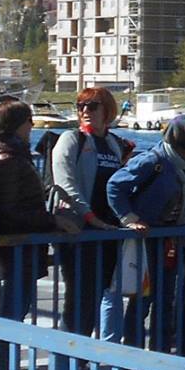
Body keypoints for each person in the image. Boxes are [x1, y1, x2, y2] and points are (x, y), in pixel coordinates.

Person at [107, 113, 185, 352]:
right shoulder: (152, 161)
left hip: (170, 239)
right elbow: (115, 186)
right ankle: (132, 356)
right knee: (142, 300)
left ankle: (161, 356)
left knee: (165, 300)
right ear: (183, 144)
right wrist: (129, 219)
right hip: (147, 240)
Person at [0, 100, 78, 321]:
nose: (32, 126)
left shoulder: (3, 153)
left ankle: (0, 343)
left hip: (13, 247)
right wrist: (52, 220)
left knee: (10, 309)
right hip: (14, 248)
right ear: (18, 123)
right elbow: (9, 211)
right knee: (12, 312)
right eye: (30, 120)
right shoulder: (7, 159)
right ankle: (1, 344)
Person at [47, 86, 137, 337]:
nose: (85, 110)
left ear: (107, 111)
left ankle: (83, 355)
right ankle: (67, 357)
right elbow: (64, 184)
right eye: (81, 106)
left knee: (96, 297)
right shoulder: (71, 139)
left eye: (93, 106)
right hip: (79, 231)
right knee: (78, 301)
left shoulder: (114, 143)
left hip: (107, 232)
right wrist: (90, 217)